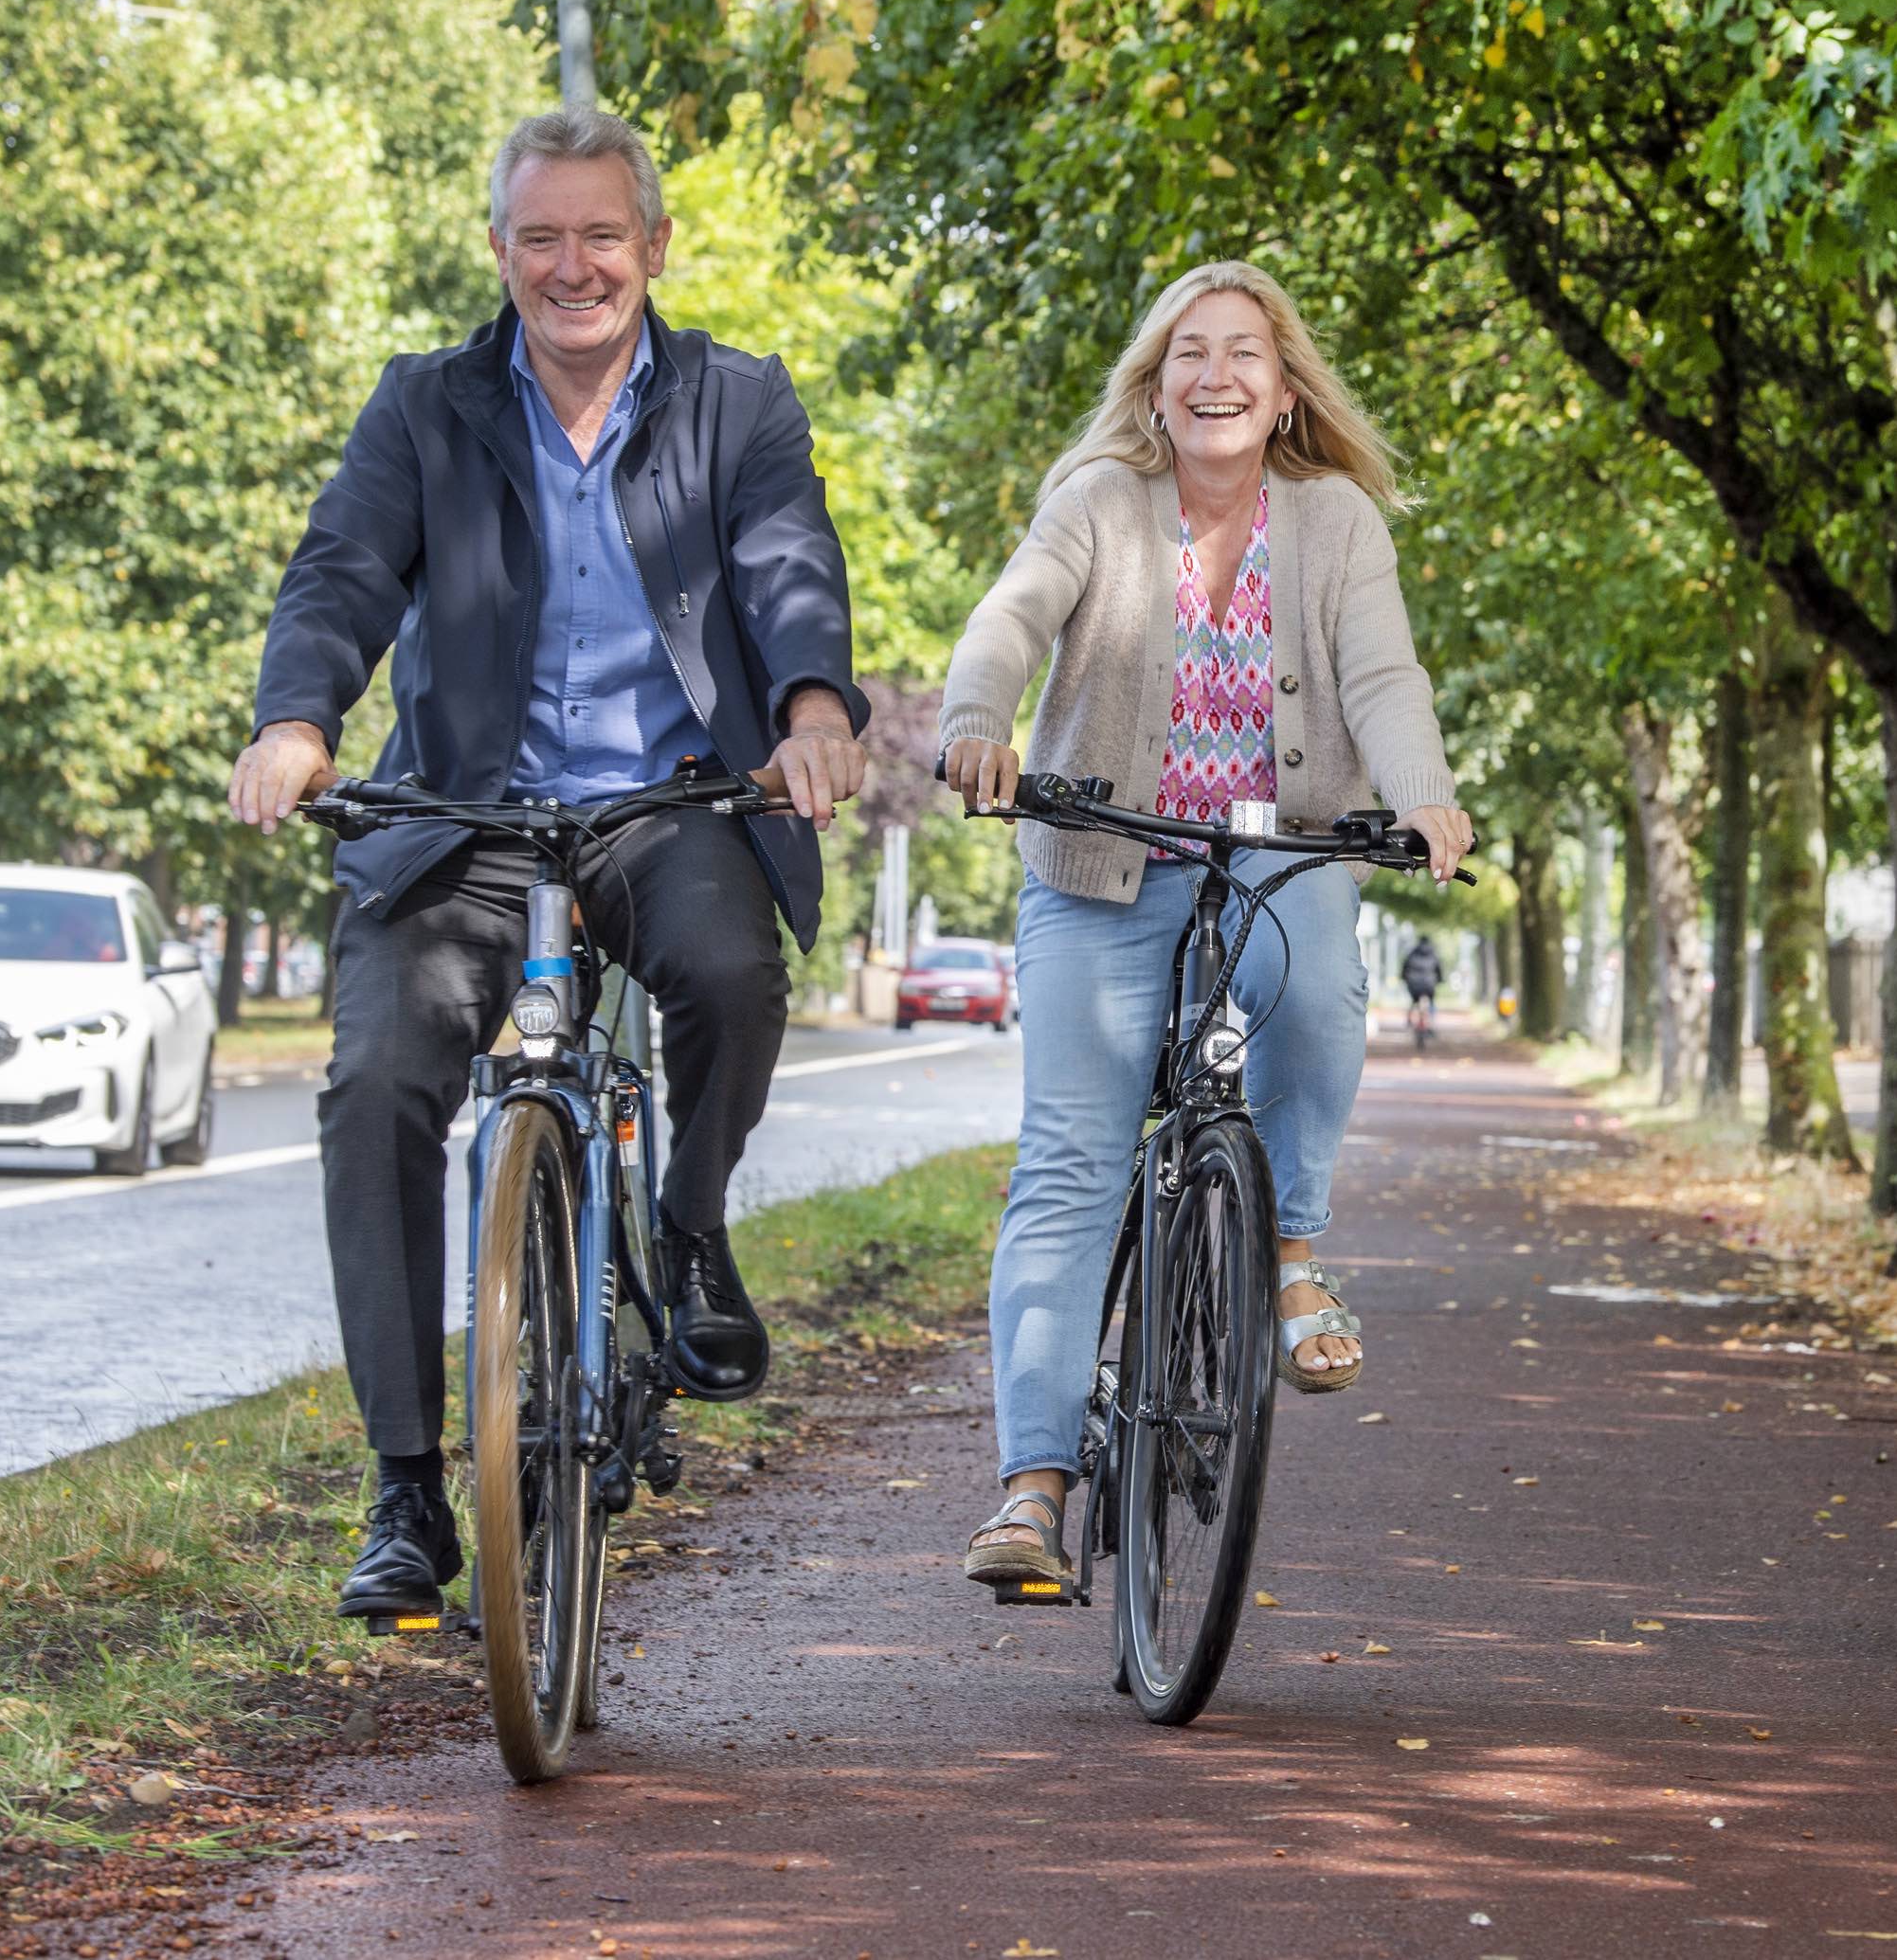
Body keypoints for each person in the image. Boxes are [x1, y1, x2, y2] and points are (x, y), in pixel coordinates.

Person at [228, 109, 872, 1624]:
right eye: (540, 237)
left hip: (668, 802)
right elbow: (341, 570)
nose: (572, 265)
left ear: (653, 247)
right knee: (377, 1077)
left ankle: (692, 1224)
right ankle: (404, 1489)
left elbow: (787, 561)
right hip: (465, 816)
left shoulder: (737, 400)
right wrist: (296, 717)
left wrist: (816, 708)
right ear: (503, 252)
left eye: (601, 234)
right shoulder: (427, 405)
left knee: (728, 970)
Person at [937, 261, 1471, 1592]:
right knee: (1069, 1159)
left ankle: (1292, 1257)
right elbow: (1011, 616)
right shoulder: (1100, 503)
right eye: (1188, 352)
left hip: (1279, 862)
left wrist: (1423, 792)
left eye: (1243, 352)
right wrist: (976, 719)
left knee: (1321, 997)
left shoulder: (1337, 519)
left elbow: (1383, 673)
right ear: (1156, 387)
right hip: (1100, 864)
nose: (1215, 373)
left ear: (1286, 391)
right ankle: (1034, 1487)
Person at [1400, 934, 1443, 1040]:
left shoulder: (1412, 953)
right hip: (1429, 984)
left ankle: (1409, 1020)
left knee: (1414, 1002)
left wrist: (1404, 977)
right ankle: (1431, 1024)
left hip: (1414, 984)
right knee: (1430, 1003)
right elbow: (1439, 970)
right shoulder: (1433, 954)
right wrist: (1440, 979)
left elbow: (1405, 967)